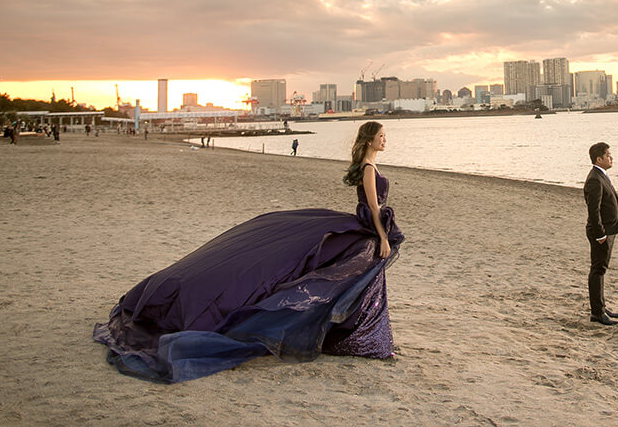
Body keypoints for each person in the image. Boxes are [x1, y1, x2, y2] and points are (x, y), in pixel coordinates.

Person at [93, 120, 404, 383]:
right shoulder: (366, 168)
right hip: (366, 229)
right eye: (381, 136)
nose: (384, 140)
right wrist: (383, 238)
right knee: (333, 274)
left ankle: (357, 336)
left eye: (385, 137)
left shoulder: (370, 165)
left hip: (361, 228)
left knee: (352, 279)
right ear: (369, 139)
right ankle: (356, 338)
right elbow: (375, 208)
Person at [584, 141, 618, 325]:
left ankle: (600, 307)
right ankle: (597, 313)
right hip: (601, 233)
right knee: (598, 269)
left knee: (601, 269)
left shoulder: (601, 175)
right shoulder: (594, 179)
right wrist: (600, 235)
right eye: (608, 155)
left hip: (608, 231)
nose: (611, 157)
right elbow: (594, 211)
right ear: (599, 159)